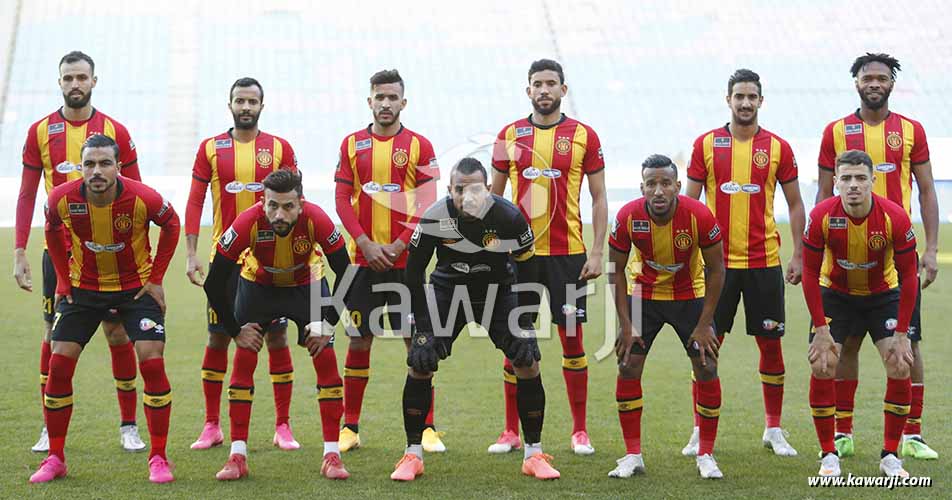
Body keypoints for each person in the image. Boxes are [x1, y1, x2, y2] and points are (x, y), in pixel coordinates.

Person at [391, 158, 558, 481]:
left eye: (476, 189)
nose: (468, 197)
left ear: (490, 189)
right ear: (449, 190)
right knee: (419, 363)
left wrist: (525, 320)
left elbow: (529, 269)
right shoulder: (435, 217)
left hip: (499, 292)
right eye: (459, 189)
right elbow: (413, 273)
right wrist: (423, 325)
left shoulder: (508, 217)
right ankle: (413, 454)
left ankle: (534, 454)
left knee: (527, 361)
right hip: (447, 291)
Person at [14, 50, 146, 453]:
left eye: (81, 77)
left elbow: (138, 194)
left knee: (117, 331)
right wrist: (20, 250)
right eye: (68, 77)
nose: (75, 84)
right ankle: (47, 425)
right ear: (59, 82)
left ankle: (128, 425)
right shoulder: (40, 132)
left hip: (111, 255)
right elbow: (27, 193)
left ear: (93, 81)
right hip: (60, 255)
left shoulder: (116, 132)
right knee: (53, 337)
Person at [30, 134, 179, 483]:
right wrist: (64, 281)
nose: (96, 171)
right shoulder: (60, 199)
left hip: (135, 291)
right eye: (89, 164)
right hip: (83, 291)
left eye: (104, 163)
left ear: (118, 166)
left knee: (153, 364)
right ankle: (55, 457)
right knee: (59, 365)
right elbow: (52, 230)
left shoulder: (144, 198)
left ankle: (158, 457)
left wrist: (156, 278)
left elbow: (171, 225)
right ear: (81, 168)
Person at [816, 53, 938, 460]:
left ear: (891, 83)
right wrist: (811, 245)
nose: (874, 83)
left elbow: (925, 190)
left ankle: (913, 434)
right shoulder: (835, 131)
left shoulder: (910, 131)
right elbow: (821, 193)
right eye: (866, 77)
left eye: (881, 78)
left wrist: (932, 248)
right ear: (856, 83)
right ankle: (843, 431)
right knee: (844, 346)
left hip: (893, 253)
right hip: (844, 260)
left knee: (907, 346)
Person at [683, 69, 804, 456]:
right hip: (718, 267)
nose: (746, 102)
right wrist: (688, 255)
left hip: (764, 263)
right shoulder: (706, 145)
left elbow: (796, 203)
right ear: (728, 99)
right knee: (704, 347)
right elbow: (689, 204)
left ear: (761, 101)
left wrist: (799, 253)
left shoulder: (779, 148)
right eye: (740, 96)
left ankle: (773, 428)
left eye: (752, 96)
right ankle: (700, 429)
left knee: (771, 346)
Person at [489, 58, 607, 455]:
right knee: (513, 340)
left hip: (568, 257)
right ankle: (510, 430)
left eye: (551, 83)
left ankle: (579, 430)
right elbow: (492, 198)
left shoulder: (583, 136)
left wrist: (596, 251)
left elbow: (598, 196)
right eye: (537, 84)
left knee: (571, 341)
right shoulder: (510, 135)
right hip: (519, 257)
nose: (544, 90)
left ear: (563, 90)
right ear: (528, 91)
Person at [204, 169, 352, 481]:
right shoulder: (247, 222)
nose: (279, 214)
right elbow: (214, 283)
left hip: (307, 284)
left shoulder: (318, 220)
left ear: (301, 203)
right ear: (263, 201)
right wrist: (234, 330)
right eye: (272, 206)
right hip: (258, 286)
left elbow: (347, 274)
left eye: (287, 206)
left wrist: (328, 323)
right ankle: (238, 456)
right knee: (244, 358)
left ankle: (332, 455)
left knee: (326, 358)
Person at [185, 77, 302, 450]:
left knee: (276, 335)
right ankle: (211, 424)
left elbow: (298, 202)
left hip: (271, 261)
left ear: (262, 106)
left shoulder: (279, 148)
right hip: (228, 261)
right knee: (219, 335)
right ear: (230, 104)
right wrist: (191, 253)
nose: (246, 107)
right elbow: (194, 202)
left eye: (252, 101)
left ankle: (282, 426)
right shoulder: (210, 148)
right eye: (240, 101)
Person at [334, 69, 442, 453]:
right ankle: (350, 427)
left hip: (405, 265)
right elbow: (342, 200)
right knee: (359, 340)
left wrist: (397, 246)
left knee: (417, 342)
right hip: (362, 264)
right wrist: (364, 243)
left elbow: (428, 205)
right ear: (370, 101)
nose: (385, 103)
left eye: (392, 97)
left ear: (403, 102)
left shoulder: (421, 146)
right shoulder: (351, 145)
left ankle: (427, 428)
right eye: (379, 97)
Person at [608, 154, 726, 479]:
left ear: (677, 186)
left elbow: (717, 270)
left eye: (665, 183)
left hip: (689, 296)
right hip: (644, 296)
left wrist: (704, 325)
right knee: (627, 365)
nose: (658, 191)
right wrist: (626, 324)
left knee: (706, 365)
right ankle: (632, 455)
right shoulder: (628, 216)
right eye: (651, 184)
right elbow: (615, 270)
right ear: (642, 187)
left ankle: (706, 454)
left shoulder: (699, 215)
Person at [803, 150, 919, 478]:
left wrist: (902, 333)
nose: (853, 185)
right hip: (836, 297)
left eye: (860, 178)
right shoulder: (822, 216)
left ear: (873, 181)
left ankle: (890, 455)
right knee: (822, 363)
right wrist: (820, 328)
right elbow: (810, 275)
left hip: (882, 296)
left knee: (899, 364)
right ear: (836, 182)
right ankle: (828, 454)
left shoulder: (894, 217)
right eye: (846, 178)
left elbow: (909, 276)